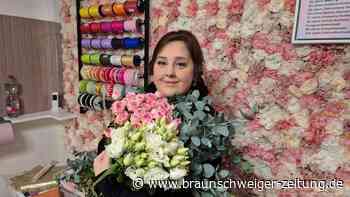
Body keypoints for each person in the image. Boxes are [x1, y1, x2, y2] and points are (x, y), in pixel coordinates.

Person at [94, 30, 213, 197]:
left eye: (181, 64)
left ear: (195, 71)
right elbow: (106, 142)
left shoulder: (205, 129)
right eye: (162, 63)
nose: (169, 72)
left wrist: (106, 184)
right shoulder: (138, 100)